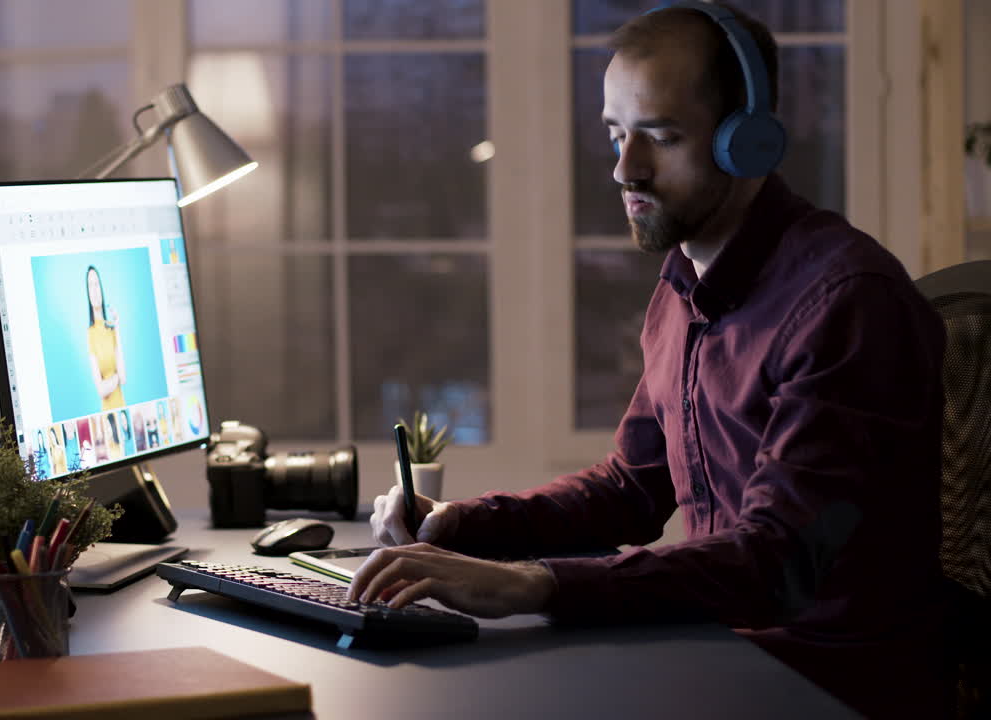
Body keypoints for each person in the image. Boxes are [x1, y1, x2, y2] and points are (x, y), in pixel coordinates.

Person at [348, 4, 947, 718]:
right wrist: (458, 524)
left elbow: (779, 564)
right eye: (615, 133)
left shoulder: (847, 303)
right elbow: (633, 490)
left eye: (660, 137)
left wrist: (533, 585)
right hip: (718, 652)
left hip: (830, 687)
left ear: (746, 143)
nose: (623, 168)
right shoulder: (684, 280)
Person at [86, 265, 126, 410]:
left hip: (122, 404)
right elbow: (101, 390)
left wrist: (117, 327)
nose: (95, 290)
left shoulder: (112, 328)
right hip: (107, 411)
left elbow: (124, 377)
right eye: (90, 286)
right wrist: (117, 378)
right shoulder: (90, 333)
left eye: (97, 284)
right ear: (87, 293)